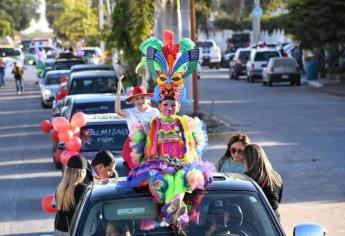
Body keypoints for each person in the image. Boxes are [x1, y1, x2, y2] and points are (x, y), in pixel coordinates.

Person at [126, 29, 213, 232]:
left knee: (183, 179)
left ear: (178, 106)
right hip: (160, 165)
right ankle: (172, 207)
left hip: (183, 164)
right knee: (165, 179)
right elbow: (149, 148)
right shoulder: (154, 124)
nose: (169, 108)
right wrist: (161, 162)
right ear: (160, 105)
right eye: (166, 105)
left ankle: (175, 206)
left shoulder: (185, 123)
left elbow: (191, 146)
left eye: (173, 105)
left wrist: (183, 161)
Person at [243, 144, 283, 220]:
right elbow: (278, 200)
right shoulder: (276, 176)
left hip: (255, 220)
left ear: (248, 160)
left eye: (244, 159)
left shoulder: (246, 178)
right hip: (274, 220)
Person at [54, 155, 88, 235]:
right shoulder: (82, 188)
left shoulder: (60, 188)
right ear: (82, 172)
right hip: (73, 230)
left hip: (59, 228)